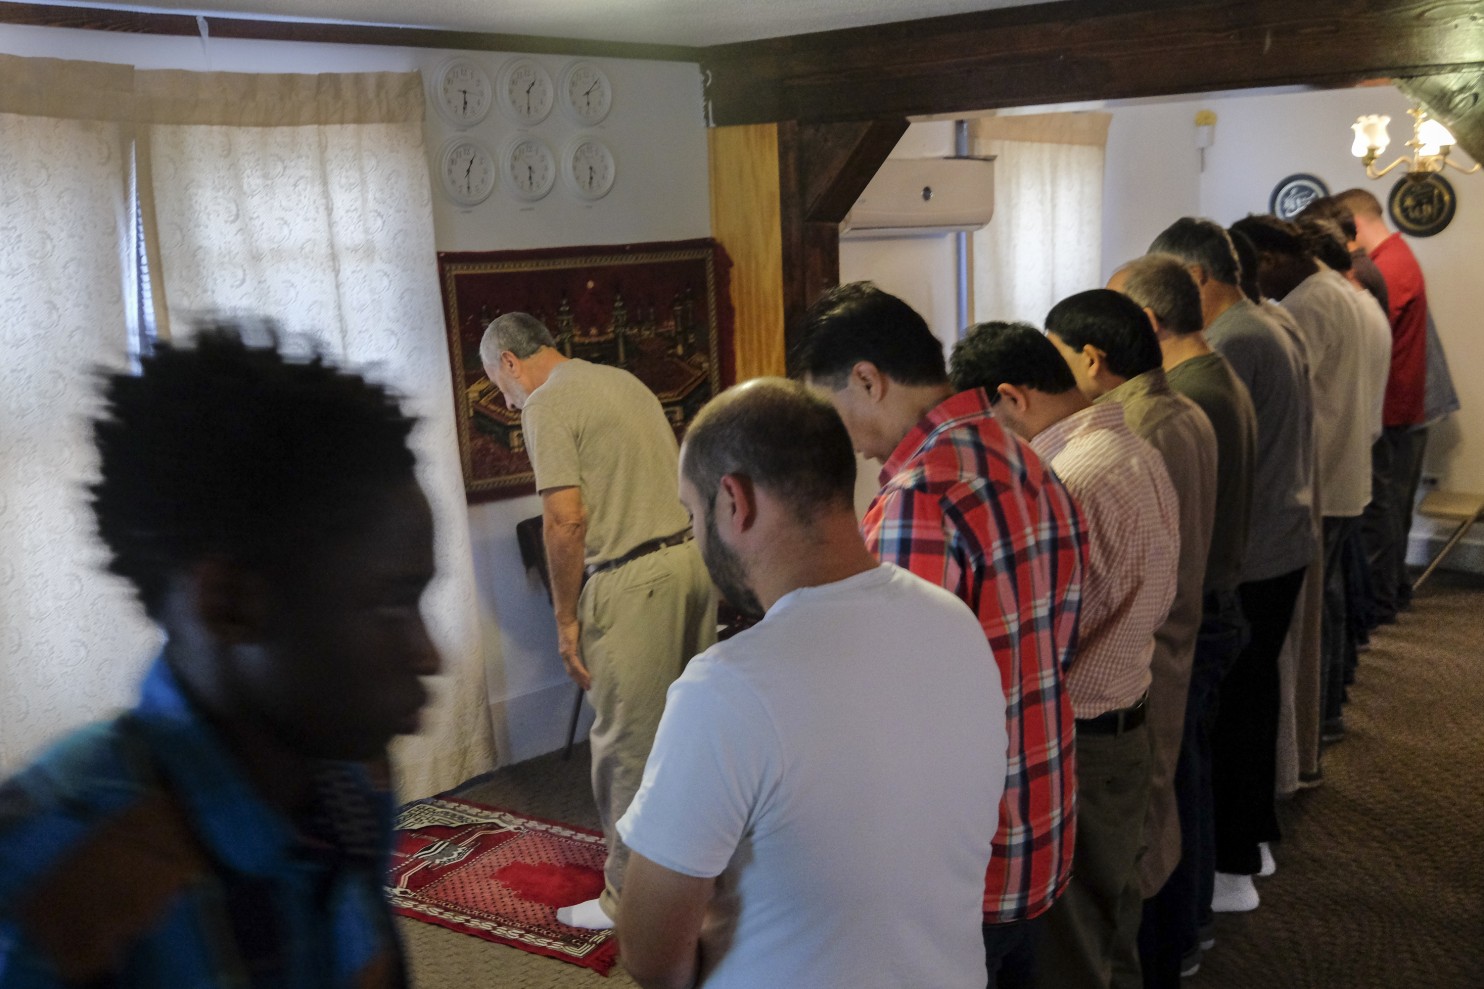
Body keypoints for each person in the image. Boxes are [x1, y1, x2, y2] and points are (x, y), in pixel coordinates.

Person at [0, 325, 437, 987]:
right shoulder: (56, 875)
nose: (429, 652)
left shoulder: (352, 777)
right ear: (231, 604)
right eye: (389, 603)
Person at [615, 378, 1007, 989]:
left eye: (692, 513)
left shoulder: (727, 689)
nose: (695, 536)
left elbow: (650, 954)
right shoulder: (954, 621)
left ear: (732, 502)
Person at [793, 282, 1086, 987]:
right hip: (1042, 810)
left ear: (867, 379)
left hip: (964, 854)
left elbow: (897, 710)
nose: (840, 437)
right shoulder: (1028, 458)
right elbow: (1064, 635)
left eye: (830, 409)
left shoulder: (919, 497)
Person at [951, 318, 1180, 989]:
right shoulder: (1133, 447)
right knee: (1109, 924)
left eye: (985, 420)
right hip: (1126, 715)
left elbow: (1045, 633)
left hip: (1080, 733)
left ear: (1012, 397)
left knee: (1072, 945)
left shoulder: (1066, 477)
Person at [480, 312, 715, 930]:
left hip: (632, 583)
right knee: (687, 739)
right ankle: (697, 877)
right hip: (691, 565)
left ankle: (628, 902)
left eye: (499, 386)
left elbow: (565, 521)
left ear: (510, 361)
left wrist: (565, 620)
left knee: (626, 748)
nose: (506, 401)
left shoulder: (545, 404)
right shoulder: (623, 381)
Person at [1147, 220, 1315, 945]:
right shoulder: (1260, 321)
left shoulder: (1235, 342)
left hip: (1257, 551)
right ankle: (1248, 847)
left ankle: (1236, 861)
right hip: (1277, 538)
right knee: (1246, 707)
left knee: (1234, 720)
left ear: (1192, 276)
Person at [1228, 216, 1388, 753]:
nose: (1252, 287)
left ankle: (1319, 720)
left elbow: (1286, 393)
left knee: (1318, 612)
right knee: (1329, 603)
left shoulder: (1309, 303)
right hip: (1339, 468)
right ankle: (1328, 710)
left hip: (1322, 472)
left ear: (1268, 261)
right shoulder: (1333, 289)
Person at [1335, 187, 1434, 623]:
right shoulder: (1398, 256)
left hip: (1391, 406)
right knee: (1390, 506)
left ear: (1354, 226)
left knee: (1382, 508)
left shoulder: (1388, 266)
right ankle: (1392, 592)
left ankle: (1381, 600)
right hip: (1402, 403)